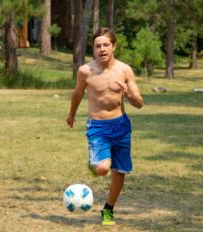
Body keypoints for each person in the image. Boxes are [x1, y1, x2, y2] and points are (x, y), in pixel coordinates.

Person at [66, 27, 144, 225]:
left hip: (121, 125)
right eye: (98, 46)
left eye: (106, 45)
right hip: (98, 126)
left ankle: (108, 209)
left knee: (119, 172)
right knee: (102, 169)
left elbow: (139, 103)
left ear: (113, 46)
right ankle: (96, 161)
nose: (102, 49)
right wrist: (71, 114)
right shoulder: (86, 71)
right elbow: (77, 94)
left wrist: (129, 95)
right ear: (93, 48)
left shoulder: (125, 70)